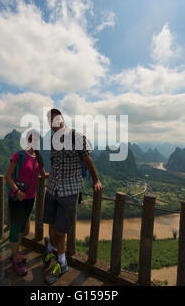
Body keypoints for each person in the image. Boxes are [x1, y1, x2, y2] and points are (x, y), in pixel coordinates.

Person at [42, 108, 103, 285]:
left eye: (55, 119)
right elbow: (56, 162)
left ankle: (56, 256)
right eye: (50, 120)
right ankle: (58, 257)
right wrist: (48, 175)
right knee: (53, 226)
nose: (53, 123)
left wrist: (96, 180)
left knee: (61, 231)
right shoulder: (53, 140)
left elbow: (87, 160)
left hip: (69, 191)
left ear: (62, 120)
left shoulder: (76, 136)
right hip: (52, 188)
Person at [5, 128, 48, 276]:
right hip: (18, 198)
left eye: (38, 140)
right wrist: (17, 191)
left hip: (30, 199)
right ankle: (16, 260)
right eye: (33, 139)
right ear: (28, 140)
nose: (35, 142)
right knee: (16, 229)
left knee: (22, 228)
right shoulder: (19, 155)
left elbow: (43, 175)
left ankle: (16, 252)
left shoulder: (39, 158)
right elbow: (8, 176)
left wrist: (58, 173)